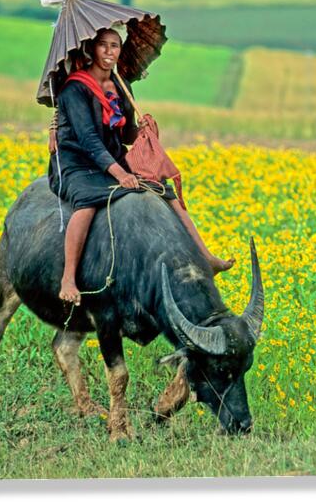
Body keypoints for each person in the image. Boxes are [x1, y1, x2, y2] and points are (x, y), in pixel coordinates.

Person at [48, 27, 234, 305]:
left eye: (115, 45)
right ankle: (68, 278)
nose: (109, 51)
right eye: (102, 45)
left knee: (163, 190)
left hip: (113, 159)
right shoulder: (74, 89)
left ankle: (205, 257)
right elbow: (88, 140)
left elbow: (124, 135)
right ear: (91, 49)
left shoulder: (121, 85)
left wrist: (143, 131)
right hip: (78, 163)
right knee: (86, 204)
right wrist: (121, 174)